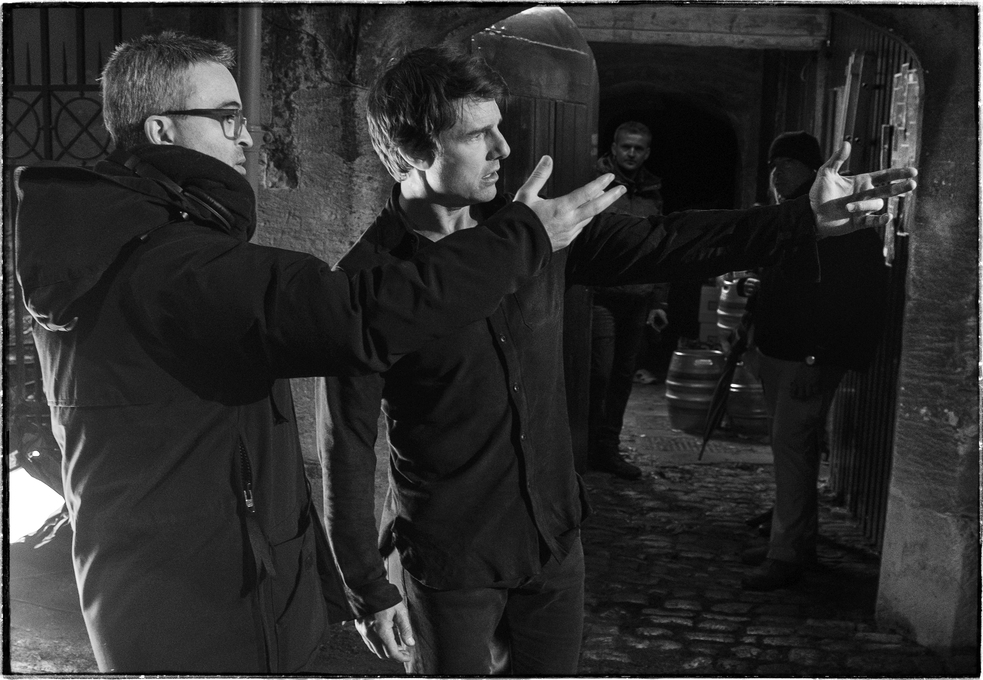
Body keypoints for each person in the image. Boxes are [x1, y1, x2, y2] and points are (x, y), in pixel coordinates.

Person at [12, 31, 624, 674]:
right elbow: (354, 322)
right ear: (161, 130)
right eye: (227, 118)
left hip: (197, 584)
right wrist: (524, 238)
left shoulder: (129, 247)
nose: (247, 139)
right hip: (195, 602)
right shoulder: (168, 265)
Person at [317, 45, 916, 675]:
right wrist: (367, 586)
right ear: (414, 150)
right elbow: (345, 446)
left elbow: (668, 240)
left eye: (499, 127)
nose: (503, 149)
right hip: (452, 560)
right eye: (476, 135)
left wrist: (800, 219)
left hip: (553, 538)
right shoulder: (366, 283)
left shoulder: (537, 227)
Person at [739, 131, 889, 591]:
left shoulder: (838, 217)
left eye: (786, 163)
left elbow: (846, 297)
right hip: (779, 353)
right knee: (791, 450)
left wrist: (814, 358)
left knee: (793, 450)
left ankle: (785, 555)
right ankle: (793, 542)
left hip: (805, 359)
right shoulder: (791, 214)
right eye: (772, 164)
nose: (776, 173)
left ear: (811, 168)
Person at [588, 121, 669, 479]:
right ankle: (586, 445)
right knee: (599, 374)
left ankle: (608, 448)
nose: (631, 153)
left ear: (647, 152)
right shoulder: (599, 183)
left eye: (638, 148)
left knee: (622, 377)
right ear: (614, 148)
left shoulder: (652, 192)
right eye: (626, 147)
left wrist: (659, 301)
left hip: (638, 297)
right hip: (603, 295)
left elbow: (661, 244)